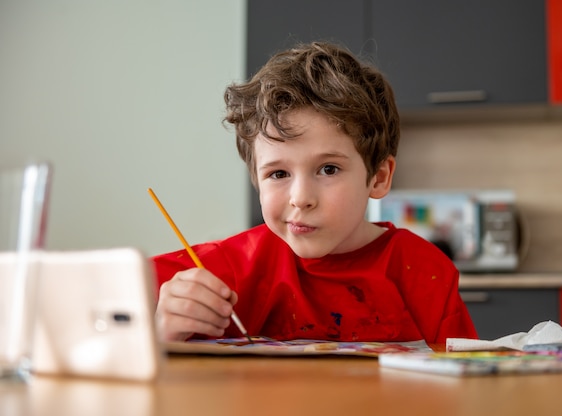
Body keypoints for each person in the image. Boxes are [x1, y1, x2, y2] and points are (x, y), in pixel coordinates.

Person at [152, 41, 477, 344]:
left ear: (378, 178)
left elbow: (467, 383)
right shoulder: (230, 267)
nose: (300, 197)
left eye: (328, 169)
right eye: (278, 173)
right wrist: (159, 329)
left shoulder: (423, 271)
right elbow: (110, 302)